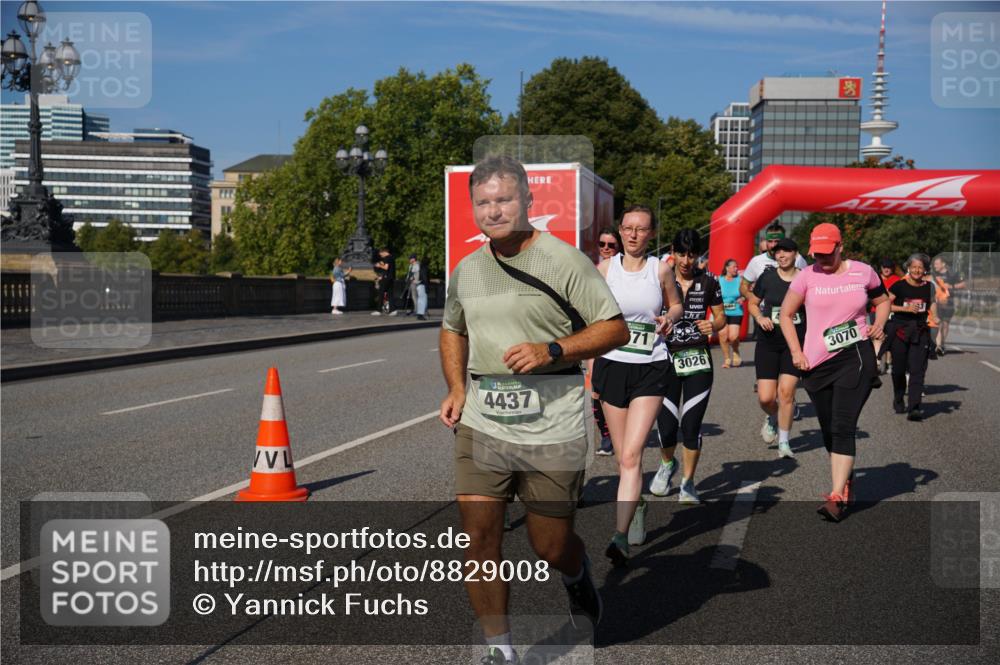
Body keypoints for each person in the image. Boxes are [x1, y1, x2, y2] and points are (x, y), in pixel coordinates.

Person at [439, 155, 628, 665]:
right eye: (483, 202)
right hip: (482, 421)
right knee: (480, 537)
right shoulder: (468, 268)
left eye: (504, 199)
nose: (494, 210)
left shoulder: (564, 260)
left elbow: (615, 329)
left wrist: (553, 349)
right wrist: (457, 386)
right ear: (472, 208)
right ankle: (499, 649)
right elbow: (453, 327)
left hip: (552, 424)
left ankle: (575, 573)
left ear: (528, 201)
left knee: (550, 544)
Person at [780, 223, 890, 523]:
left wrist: (879, 323)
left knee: (843, 425)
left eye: (829, 254)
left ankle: (836, 495)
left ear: (841, 247)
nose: (823, 260)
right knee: (830, 429)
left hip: (854, 356)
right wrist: (796, 352)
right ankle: (846, 479)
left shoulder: (863, 272)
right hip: (816, 363)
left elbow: (882, 301)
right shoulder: (806, 276)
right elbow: (786, 316)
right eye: (818, 254)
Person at [593, 205, 682, 565]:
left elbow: (676, 304)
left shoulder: (660, 269)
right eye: (627, 228)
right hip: (613, 366)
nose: (632, 234)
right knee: (620, 459)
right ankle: (638, 503)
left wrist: (669, 318)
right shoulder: (603, 269)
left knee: (632, 455)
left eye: (640, 229)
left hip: (650, 367)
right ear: (620, 231)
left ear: (650, 234)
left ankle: (619, 536)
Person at [652, 229, 725, 504]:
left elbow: (721, 318)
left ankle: (687, 483)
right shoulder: (659, 279)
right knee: (668, 427)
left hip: (698, 362)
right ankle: (667, 464)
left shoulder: (709, 282)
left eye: (691, 254)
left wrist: (713, 325)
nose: (686, 260)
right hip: (665, 362)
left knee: (691, 425)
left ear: (698, 255)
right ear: (673, 250)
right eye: (681, 253)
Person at [747, 238, 805, 458]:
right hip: (768, 342)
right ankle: (773, 416)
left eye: (786, 252)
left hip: (795, 343)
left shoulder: (806, 279)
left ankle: (784, 442)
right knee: (766, 398)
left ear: (795, 254)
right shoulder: (767, 277)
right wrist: (760, 317)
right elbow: (752, 303)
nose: (781, 256)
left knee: (787, 393)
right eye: (777, 252)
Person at [886, 254, 936, 421]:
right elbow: (885, 305)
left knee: (917, 369)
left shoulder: (929, 286)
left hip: (920, 331)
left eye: (920, 267)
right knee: (899, 369)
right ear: (908, 267)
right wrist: (905, 309)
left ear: (925, 270)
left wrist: (935, 317)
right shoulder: (899, 286)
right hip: (900, 330)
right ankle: (898, 396)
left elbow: (933, 304)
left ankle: (914, 407)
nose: (917, 270)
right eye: (914, 267)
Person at [592, 227, 621, 455]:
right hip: (598, 335)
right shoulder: (594, 271)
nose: (606, 249)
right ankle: (606, 436)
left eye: (611, 245)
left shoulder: (626, 270)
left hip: (624, 336)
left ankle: (619, 429)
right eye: (602, 244)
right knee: (595, 389)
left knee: (619, 391)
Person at [739, 221, 809, 304]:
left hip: (791, 313)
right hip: (764, 314)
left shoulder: (797, 259)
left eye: (777, 241)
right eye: (770, 241)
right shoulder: (756, 261)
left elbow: (807, 286)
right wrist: (754, 300)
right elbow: (743, 286)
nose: (773, 245)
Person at [930, 256, 966, 355]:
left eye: (937, 264)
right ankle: (937, 345)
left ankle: (942, 343)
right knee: (938, 323)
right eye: (934, 264)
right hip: (936, 301)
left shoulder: (953, 274)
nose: (935, 266)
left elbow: (963, 284)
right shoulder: (933, 274)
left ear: (943, 264)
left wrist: (951, 286)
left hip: (949, 302)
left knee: (945, 324)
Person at [874, 258, 901, 373]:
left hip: (892, 311)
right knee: (878, 334)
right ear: (881, 268)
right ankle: (878, 361)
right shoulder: (875, 278)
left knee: (890, 337)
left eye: (889, 267)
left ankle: (889, 362)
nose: (886, 269)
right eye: (884, 267)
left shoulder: (897, 280)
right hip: (875, 310)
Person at [718, 258, 744, 368]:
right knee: (723, 336)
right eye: (734, 267)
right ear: (727, 268)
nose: (736, 269)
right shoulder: (719, 280)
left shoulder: (740, 279)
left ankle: (736, 350)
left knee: (733, 337)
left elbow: (747, 292)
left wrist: (743, 297)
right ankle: (727, 359)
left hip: (736, 311)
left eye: (737, 267)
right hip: (722, 312)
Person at [372, 248, 396, 316]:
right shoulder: (392, 257)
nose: (381, 256)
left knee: (381, 293)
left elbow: (386, 267)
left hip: (386, 278)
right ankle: (393, 310)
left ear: (384, 252)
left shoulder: (387, 258)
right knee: (390, 294)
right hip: (391, 278)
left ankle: (379, 310)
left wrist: (379, 265)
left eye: (381, 254)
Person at [406, 254, 428, 320]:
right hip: (413, 283)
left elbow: (417, 273)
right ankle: (417, 311)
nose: (409, 260)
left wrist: (413, 278)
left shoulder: (417, 264)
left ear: (413, 259)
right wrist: (408, 279)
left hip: (417, 282)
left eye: (410, 258)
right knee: (415, 297)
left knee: (418, 297)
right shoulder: (411, 265)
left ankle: (419, 311)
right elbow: (409, 274)